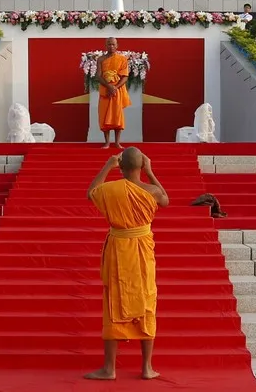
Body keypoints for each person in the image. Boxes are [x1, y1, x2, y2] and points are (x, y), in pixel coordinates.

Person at [85, 147, 170, 381]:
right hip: (143, 251)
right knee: (146, 300)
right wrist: (151, 173)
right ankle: (147, 368)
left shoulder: (111, 189)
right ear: (141, 166)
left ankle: (109, 369)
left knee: (114, 301)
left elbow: (91, 192)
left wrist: (107, 165)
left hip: (119, 251)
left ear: (120, 167)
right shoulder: (151, 191)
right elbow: (165, 200)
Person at [97, 37, 131, 149]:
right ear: (105, 46)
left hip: (117, 91)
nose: (111, 46)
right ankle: (107, 142)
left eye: (113, 44)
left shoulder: (122, 59)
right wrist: (108, 86)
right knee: (104, 115)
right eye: (109, 44)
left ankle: (117, 142)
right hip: (105, 90)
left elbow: (125, 77)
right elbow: (98, 76)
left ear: (117, 46)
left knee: (117, 116)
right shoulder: (101, 59)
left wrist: (115, 87)